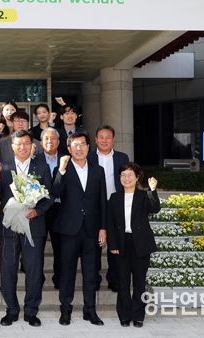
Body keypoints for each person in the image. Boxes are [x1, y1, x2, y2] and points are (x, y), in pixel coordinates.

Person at [0, 130, 53, 327]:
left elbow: (49, 195)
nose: (23, 147)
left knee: (34, 270)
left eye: (27, 143)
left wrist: (38, 211)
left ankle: (31, 311)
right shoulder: (3, 167)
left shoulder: (41, 167)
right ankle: (11, 310)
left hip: (33, 226)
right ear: (12, 147)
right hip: (9, 227)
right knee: (8, 270)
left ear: (32, 146)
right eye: (19, 144)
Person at [52, 132, 107, 327]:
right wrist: (61, 170)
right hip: (69, 230)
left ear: (88, 147)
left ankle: (90, 310)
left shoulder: (98, 171)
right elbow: (55, 192)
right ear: (69, 148)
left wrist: (103, 228)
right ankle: (65, 310)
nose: (79, 148)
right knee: (67, 272)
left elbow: (102, 201)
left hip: (92, 230)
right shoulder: (62, 169)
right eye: (75, 145)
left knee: (91, 273)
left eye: (83, 144)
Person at [108, 163, 160, 328]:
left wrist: (152, 190)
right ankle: (124, 315)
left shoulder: (144, 196)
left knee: (139, 282)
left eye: (130, 175)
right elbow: (110, 223)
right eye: (123, 175)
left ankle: (138, 315)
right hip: (121, 243)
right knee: (122, 282)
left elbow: (155, 208)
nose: (126, 178)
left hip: (141, 244)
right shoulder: (114, 197)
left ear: (137, 178)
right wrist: (113, 244)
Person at [89, 125, 130, 292]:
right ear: (96, 139)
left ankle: (114, 279)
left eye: (108, 137)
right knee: (94, 245)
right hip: (94, 205)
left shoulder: (122, 157)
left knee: (115, 242)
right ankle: (94, 280)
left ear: (113, 140)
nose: (104, 140)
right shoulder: (89, 157)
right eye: (101, 137)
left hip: (115, 205)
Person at [34, 127, 65, 289]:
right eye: (46, 139)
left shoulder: (67, 159)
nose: (50, 141)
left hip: (60, 209)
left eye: (53, 139)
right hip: (40, 209)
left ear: (58, 142)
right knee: (37, 247)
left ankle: (59, 279)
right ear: (41, 142)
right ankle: (38, 279)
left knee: (59, 247)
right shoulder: (34, 159)